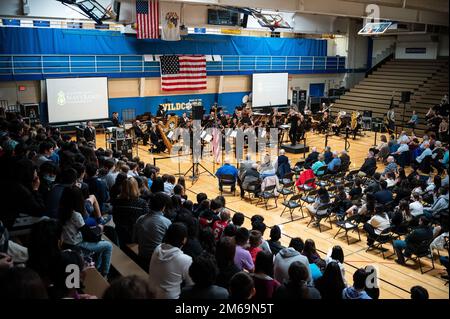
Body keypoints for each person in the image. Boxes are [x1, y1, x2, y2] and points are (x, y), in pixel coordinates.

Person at [58, 186, 112, 277]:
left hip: (67, 244)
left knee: (101, 240)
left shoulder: (61, 211)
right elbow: (87, 234)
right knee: (108, 245)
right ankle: (105, 274)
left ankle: (98, 267)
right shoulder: (75, 214)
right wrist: (98, 233)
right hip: (78, 245)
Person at [148, 223, 193, 299]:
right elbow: (191, 284)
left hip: (151, 293)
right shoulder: (185, 259)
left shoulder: (157, 248)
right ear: (184, 240)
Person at [134, 193, 172, 268]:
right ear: (164, 207)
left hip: (142, 256)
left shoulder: (140, 219)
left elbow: (135, 239)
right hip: (158, 261)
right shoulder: (167, 222)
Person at [112, 177, 150, 247]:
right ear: (136, 187)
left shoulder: (116, 201)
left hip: (119, 233)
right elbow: (146, 221)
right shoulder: (142, 203)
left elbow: (115, 219)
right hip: (135, 236)